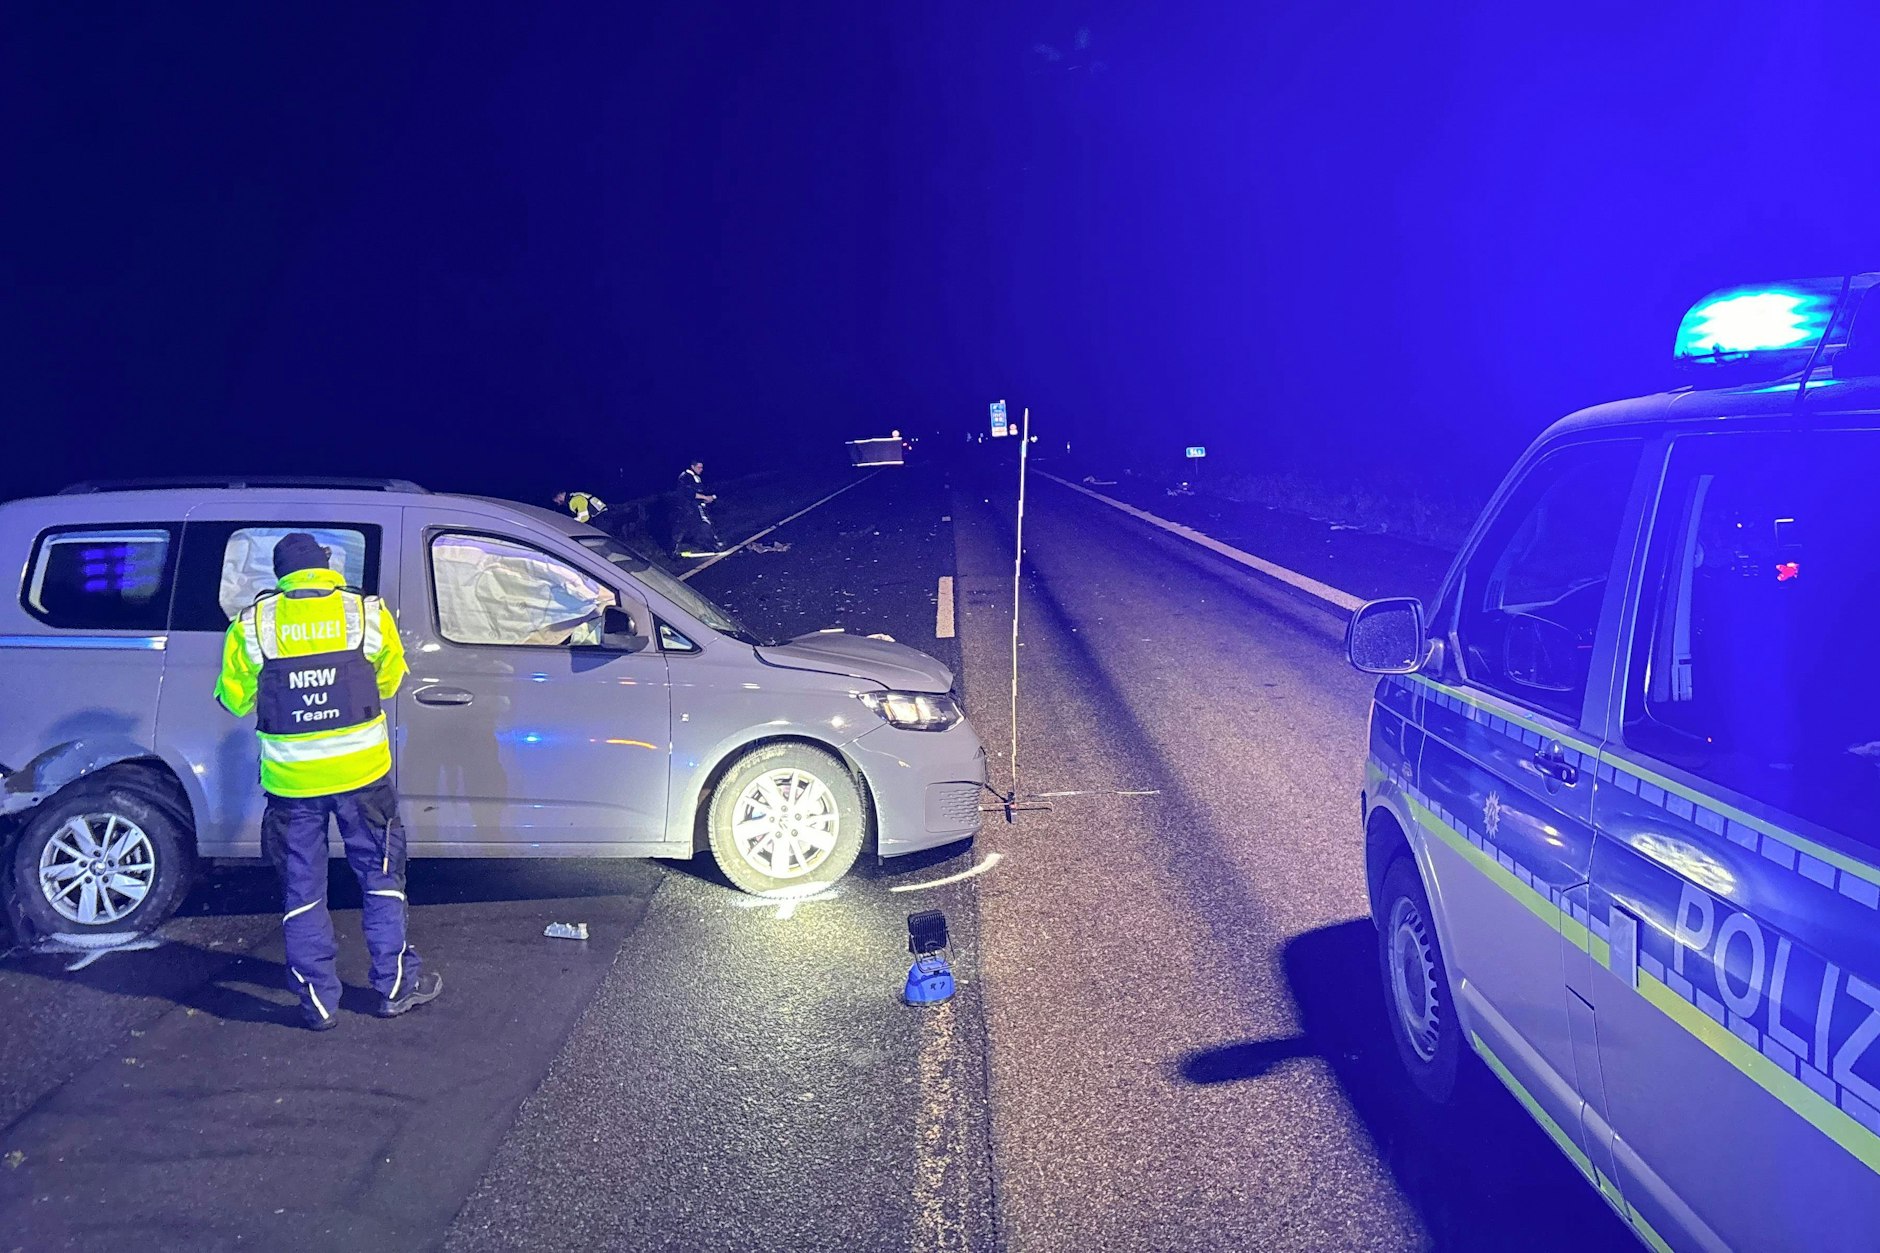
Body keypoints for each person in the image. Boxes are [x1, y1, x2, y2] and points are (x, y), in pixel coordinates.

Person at [213, 532, 442, 1031]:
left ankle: (316, 1002)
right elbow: (388, 680)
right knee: (382, 878)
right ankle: (395, 984)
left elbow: (234, 698)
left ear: (281, 574)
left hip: (292, 784)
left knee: (302, 887)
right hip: (362, 778)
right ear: (325, 566)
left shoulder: (254, 625)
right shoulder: (365, 613)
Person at [673, 459, 725, 556]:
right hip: (687, 508)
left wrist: (707, 498)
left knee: (699, 526)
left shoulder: (694, 477)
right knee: (685, 528)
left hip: (692, 507)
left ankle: (713, 545)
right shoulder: (686, 477)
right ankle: (672, 551)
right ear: (693, 467)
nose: (701, 470)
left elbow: (699, 491)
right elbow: (690, 493)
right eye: (699, 467)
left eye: (702, 467)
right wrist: (705, 497)